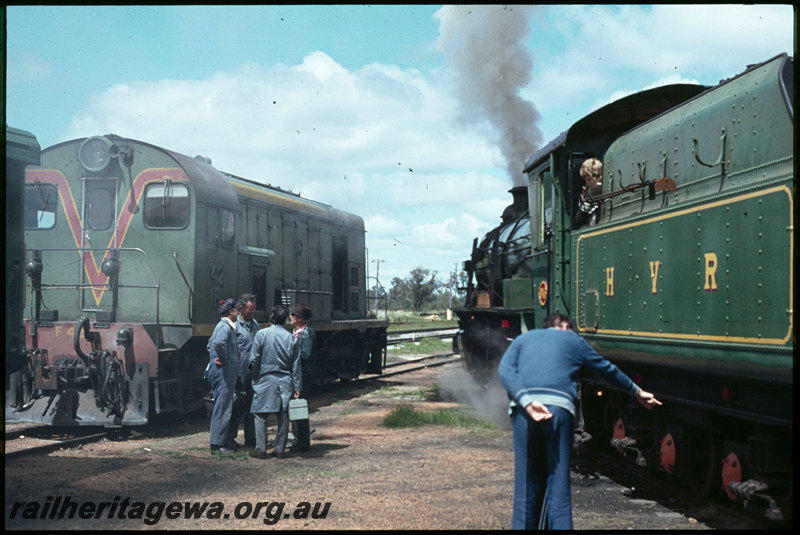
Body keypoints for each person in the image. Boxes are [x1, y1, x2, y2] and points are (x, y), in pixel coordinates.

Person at [497, 313, 661, 530]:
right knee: (559, 491)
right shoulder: (573, 340)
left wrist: (527, 402)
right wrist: (637, 391)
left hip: (523, 412)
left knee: (525, 491)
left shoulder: (523, 339)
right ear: (566, 327)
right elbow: (606, 369)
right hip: (558, 411)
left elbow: (505, 370)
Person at [248, 305, 302, 459]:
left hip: (264, 380)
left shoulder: (261, 334)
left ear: (272, 317)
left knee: (259, 415)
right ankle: (279, 449)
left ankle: (261, 449)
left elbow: (253, 360)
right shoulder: (291, 338)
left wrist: (250, 372)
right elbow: (296, 365)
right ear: (285, 319)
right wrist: (297, 386)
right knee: (283, 416)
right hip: (284, 381)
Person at [206, 298, 242, 454]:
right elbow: (218, 344)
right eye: (237, 310)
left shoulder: (226, 327)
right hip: (223, 374)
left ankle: (224, 439)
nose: (239, 312)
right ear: (231, 312)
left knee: (227, 405)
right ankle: (217, 445)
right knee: (222, 408)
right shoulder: (225, 328)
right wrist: (223, 358)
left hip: (226, 373)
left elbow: (209, 344)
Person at [229, 293, 258, 448]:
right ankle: (230, 438)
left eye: (253, 309)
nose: (251, 312)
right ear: (240, 308)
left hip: (251, 372)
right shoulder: (234, 326)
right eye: (249, 309)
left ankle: (251, 438)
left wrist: (253, 369)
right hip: (237, 373)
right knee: (235, 405)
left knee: (252, 406)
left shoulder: (255, 325)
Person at [289, 303, 316, 451]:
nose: (290, 317)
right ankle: (299, 440)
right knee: (296, 409)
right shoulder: (297, 331)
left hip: (303, 376)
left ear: (299, 318)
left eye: (292, 315)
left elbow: (305, 354)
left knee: (300, 409)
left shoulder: (307, 333)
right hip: (298, 375)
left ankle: (303, 443)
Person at [574, 158, 603, 228]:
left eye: (589, 179)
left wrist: (585, 197)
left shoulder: (592, 191)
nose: (587, 182)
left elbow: (579, 218)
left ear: (597, 176)